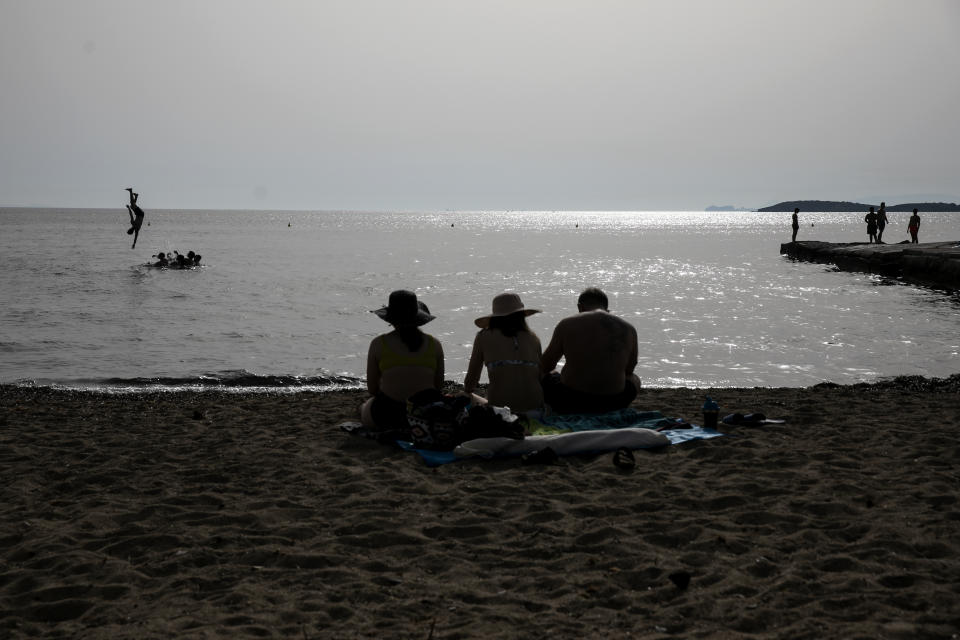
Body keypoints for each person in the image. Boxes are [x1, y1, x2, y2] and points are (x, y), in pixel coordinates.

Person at [540, 287, 641, 414]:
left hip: (570, 400)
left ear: (579, 307)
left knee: (546, 374)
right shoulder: (629, 329)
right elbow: (629, 370)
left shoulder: (567, 324)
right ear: (607, 309)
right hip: (613, 402)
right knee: (635, 379)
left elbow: (546, 365)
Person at [360, 290, 445, 431]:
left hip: (389, 415)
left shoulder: (379, 343)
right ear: (417, 317)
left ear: (391, 319)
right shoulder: (434, 344)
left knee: (365, 406)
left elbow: (372, 389)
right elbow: (438, 386)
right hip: (425, 417)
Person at [463, 292, 544, 415]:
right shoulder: (533, 338)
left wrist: (467, 391)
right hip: (535, 409)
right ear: (521, 315)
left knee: (464, 396)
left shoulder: (483, 336)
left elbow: (472, 379)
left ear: (495, 317)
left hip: (501, 411)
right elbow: (540, 375)